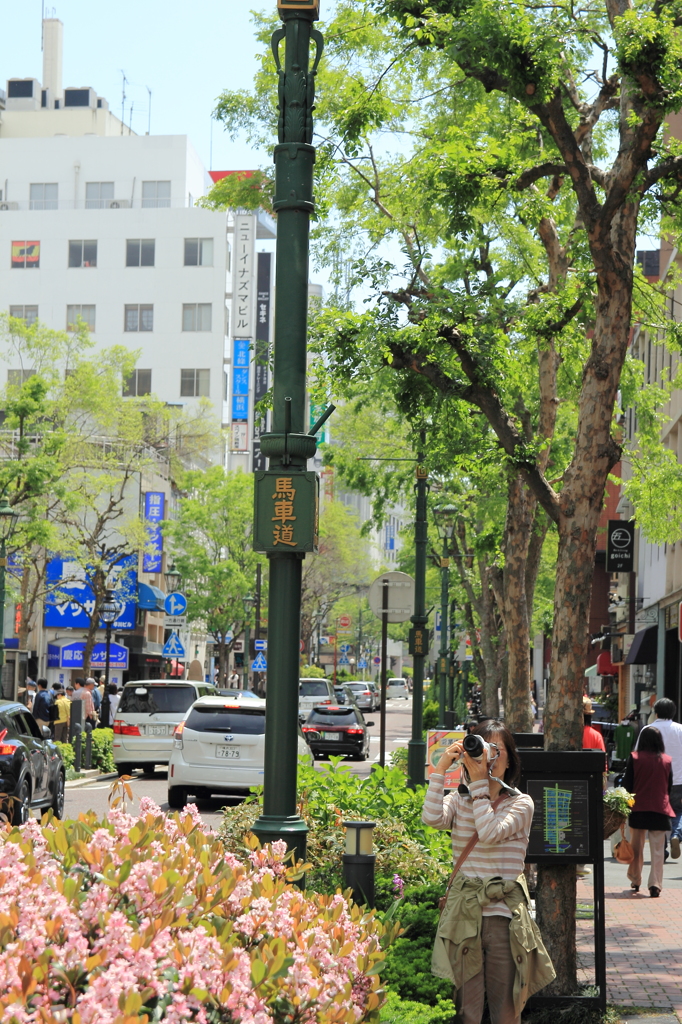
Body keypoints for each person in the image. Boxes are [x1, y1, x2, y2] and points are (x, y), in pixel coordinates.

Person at [423, 720, 554, 1024]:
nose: (490, 758)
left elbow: (490, 831)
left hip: (504, 918)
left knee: (505, 1011)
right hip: (464, 915)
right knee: (466, 1011)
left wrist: (480, 786)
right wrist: (442, 768)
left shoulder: (521, 803)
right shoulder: (460, 799)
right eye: (483, 749)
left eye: (497, 751)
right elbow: (431, 818)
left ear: (510, 760)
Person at [623, 725, 674, 897]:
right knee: (658, 851)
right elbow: (669, 786)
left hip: (638, 808)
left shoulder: (635, 758)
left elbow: (628, 784)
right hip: (660, 808)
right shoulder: (666, 760)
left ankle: (635, 879)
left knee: (636, 848)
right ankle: (655, 884)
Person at [635, 698, 682, 860]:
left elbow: (637, 755)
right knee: (678, 811)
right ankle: (676, 835)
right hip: (678, 779)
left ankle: (661, 849)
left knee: (659, 814)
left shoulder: (648, 729)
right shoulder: (680, 730)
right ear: (673, 713)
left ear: (656, 713)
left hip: (654, 780)